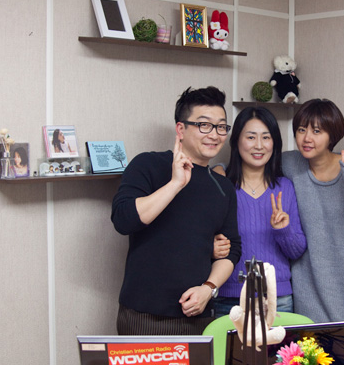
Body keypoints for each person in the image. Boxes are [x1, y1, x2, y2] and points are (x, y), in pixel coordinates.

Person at [111, 86, 242, 335]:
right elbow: (124, 219)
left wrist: (208, 288)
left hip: (198, 316)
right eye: (204, 125)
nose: (214, 134)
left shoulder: (223, 186)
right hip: (143, 314)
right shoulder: (148, 164)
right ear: (181, 129)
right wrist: (175, 184)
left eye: (221, 127)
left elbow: (232, 249)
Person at [282, 98, 344, 365]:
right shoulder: (290, 164)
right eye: (301, 129)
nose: (307, 138)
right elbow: (251, 163)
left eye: (317, 131)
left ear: (332, 135)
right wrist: (220, 168)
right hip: (311, 306)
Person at [211, 106, 306, 318]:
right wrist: (211, 247)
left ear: (275, 143)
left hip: (277, 300)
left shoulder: (285, 187)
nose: (259, 145)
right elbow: (198, 239)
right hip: (229, 299)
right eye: (251, 137)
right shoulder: (220, 184)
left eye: (266, 137)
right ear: (236, 141)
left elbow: (297, 251)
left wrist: (284, 230)